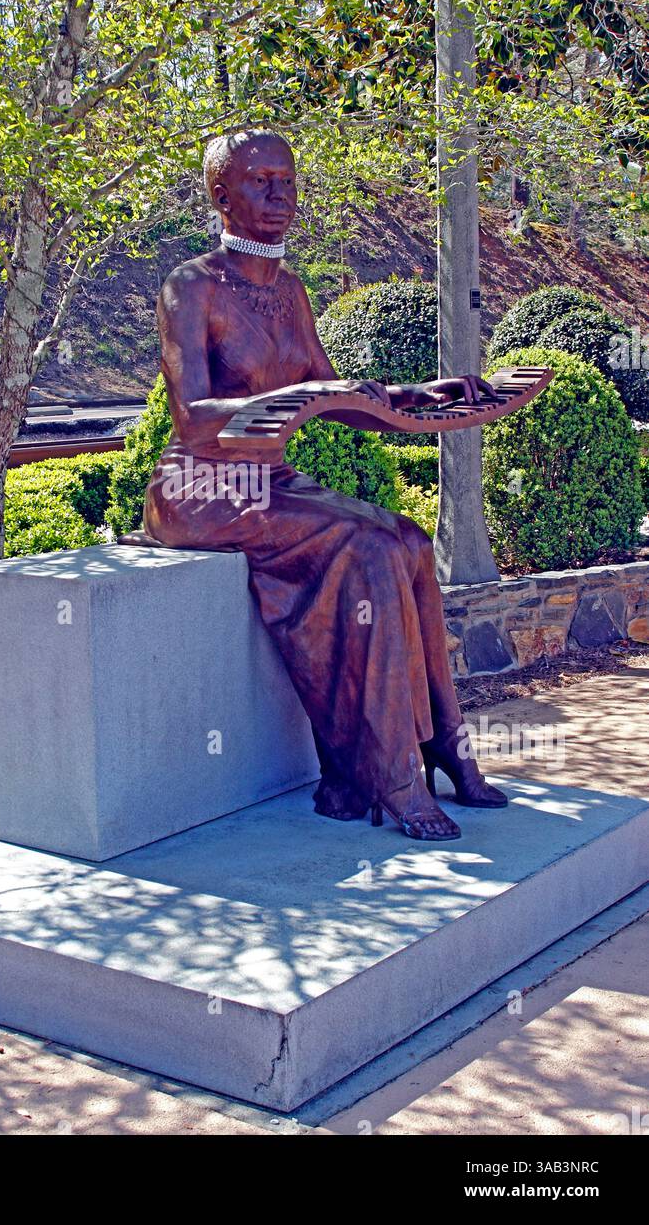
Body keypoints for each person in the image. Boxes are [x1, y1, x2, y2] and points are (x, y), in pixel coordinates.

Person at [143, 128, 507, 840]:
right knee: (368, 550)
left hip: (272, 481)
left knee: (407, 539)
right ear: (222, 196)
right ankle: (387, 776)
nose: (279, 193)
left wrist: (421, 396)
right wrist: (284, 404)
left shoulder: (291, 290)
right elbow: (190, 420)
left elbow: (330, 394)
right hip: (202, 490)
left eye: (287, 178)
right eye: (259, 180)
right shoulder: (190, 286)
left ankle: (447, 747)